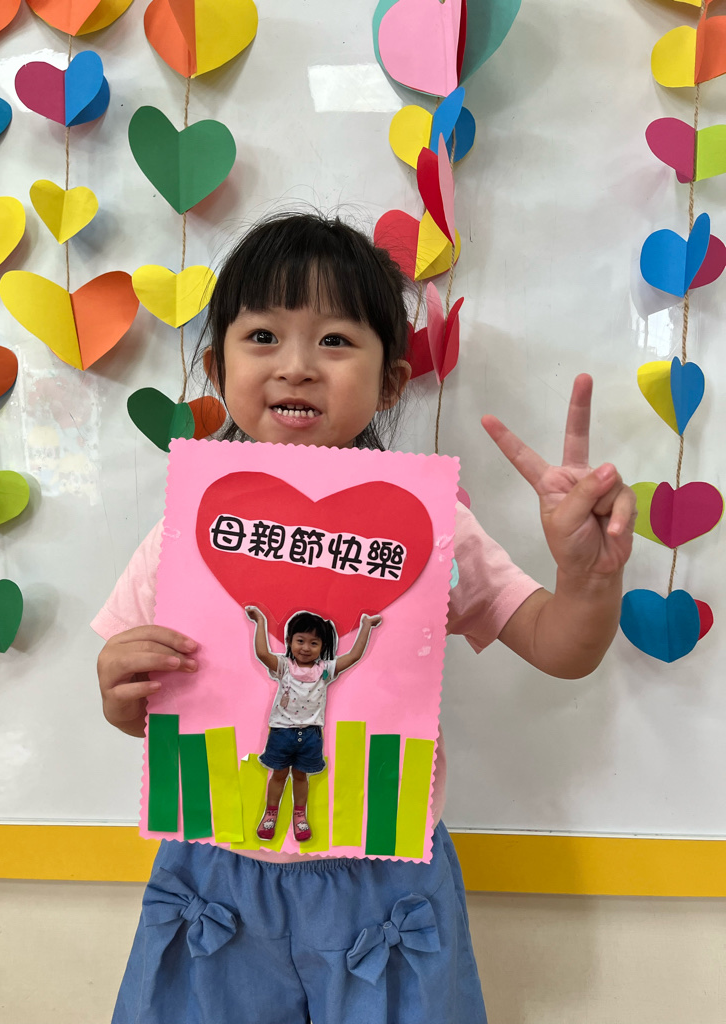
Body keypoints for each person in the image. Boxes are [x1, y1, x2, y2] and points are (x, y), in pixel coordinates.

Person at [93, 212, 636, 1024]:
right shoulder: (185, 528)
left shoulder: (430, 526)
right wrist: (116, 691)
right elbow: (140, 704)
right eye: (263, 336)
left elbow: (559, 648)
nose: (297, 366)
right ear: (216, 367)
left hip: (385, 880)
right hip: (214, 872)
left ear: (390, 382)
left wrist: (587, 580)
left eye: (336, 340)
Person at [246, 607, 381, 842]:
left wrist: (366, 626)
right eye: (300, 641)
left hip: (310, 736)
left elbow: (353, 656)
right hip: (282, 733)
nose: (306, 648)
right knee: (278, 776)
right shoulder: (284, 667)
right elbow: (262, 653)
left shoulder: (324, 671)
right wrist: (260, 620)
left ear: (322, 647)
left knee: (301, 777)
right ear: (290, 641)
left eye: (314, 643)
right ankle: (271, 814)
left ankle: (300, 816)